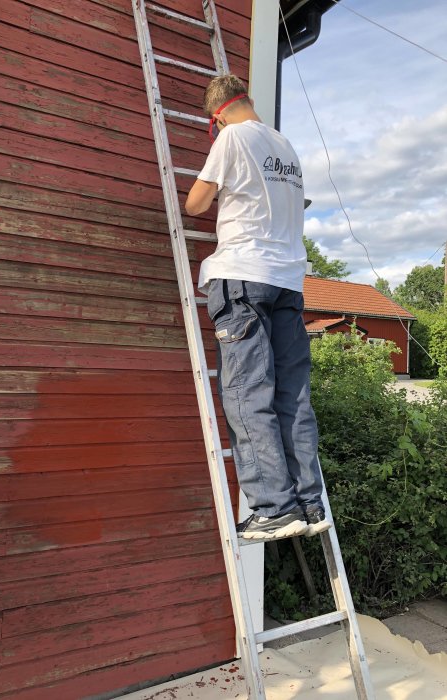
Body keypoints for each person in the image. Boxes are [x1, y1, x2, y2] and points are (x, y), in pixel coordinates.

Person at [185, 74, 331, 541]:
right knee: (292, 396)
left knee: (249, 393)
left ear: (217, 115)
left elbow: (195, 204)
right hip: (288, 284)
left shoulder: (231, 138)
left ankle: (273, 508)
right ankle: (310, 504)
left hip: (243, 277)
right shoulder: (285, 147)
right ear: (248, 101)